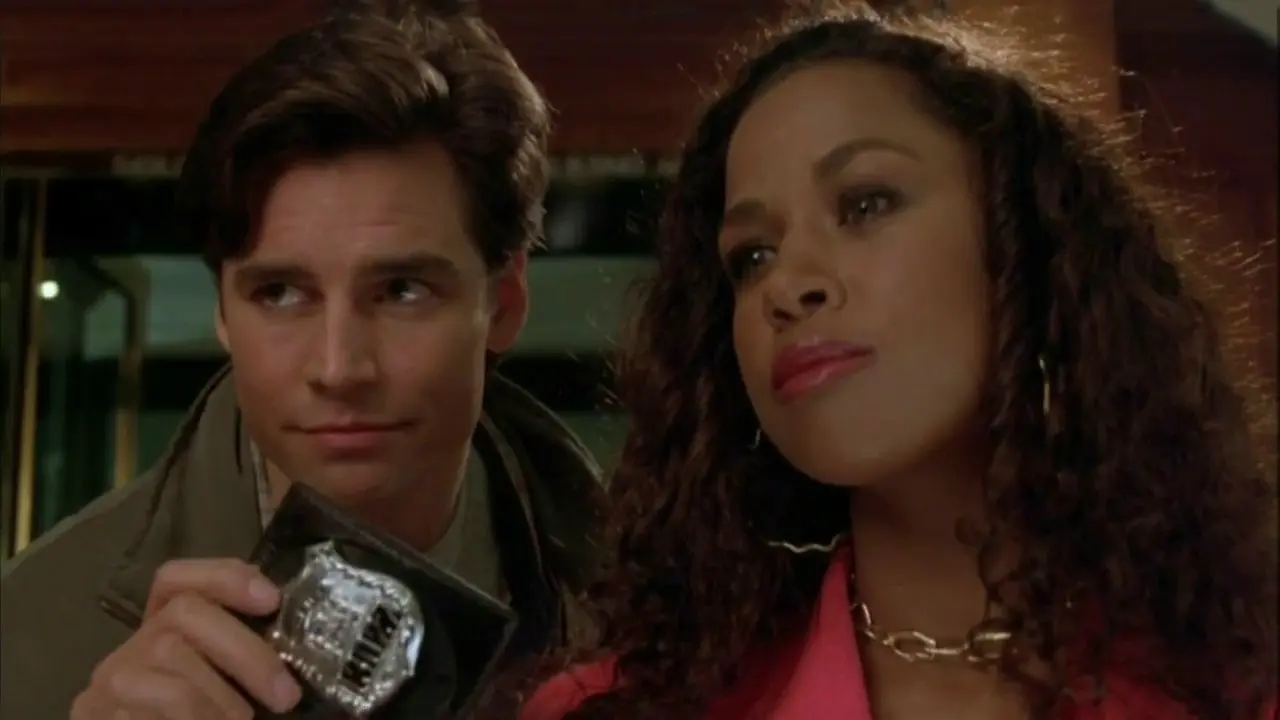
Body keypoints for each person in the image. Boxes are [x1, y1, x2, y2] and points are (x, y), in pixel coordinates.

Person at [523, 3, 1277, 719]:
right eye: (752, 256)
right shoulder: (615, 711)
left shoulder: (1240, 686)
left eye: (865, 204)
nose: (787, 285)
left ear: (1028, 246)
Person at [0, 2, 605, 718]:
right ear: (223, 312)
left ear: (503, 303)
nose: (340, 368)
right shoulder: (30, 635)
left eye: (402, 290)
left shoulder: (659, 603)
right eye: (281, 294)